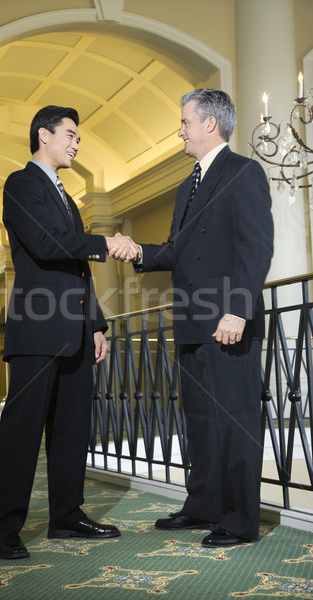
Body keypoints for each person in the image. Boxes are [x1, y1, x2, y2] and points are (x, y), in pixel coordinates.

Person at [111, 89, 274, 547]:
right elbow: (175, 250)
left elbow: (256, 248)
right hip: (191, 321)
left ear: (209, 124)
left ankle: (241, 522)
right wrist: (138, 250)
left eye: (184, 122)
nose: (179, 130)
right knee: (200, 420)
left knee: (235, 419)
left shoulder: (244, 172)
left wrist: (238, 311)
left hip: (227, 322)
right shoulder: (188, 184)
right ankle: (202, 506)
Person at [0, 105, 138, 559]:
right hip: (37, 329)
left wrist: (96, 324)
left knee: (73, 429)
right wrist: (105, 242)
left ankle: (67, 517)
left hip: (75, 330)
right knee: (23, 431)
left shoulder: (67, 197)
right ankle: (3, 527)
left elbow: (77, 271)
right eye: (70, 134)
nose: (75, 143)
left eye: (78, 137)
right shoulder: (21, 183)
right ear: (43, 135)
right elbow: (46, 243)